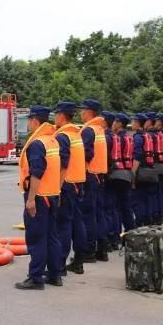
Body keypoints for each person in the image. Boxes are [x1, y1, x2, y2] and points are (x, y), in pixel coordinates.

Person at [16, 106, 62, 290]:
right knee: (52, 236)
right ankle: (54, 275)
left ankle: (35, 278)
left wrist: (31, 199)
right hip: (53, 195)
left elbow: (37, 172)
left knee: (37, 238)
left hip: (40, 196)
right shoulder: (52, 140)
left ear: (35, 121)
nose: (28, 123)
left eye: (29, 120)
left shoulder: (37, 144)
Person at [53, 102, 87, 275]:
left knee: (63, 226)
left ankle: (59, 265)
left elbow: (63, 164)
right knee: (76, 223)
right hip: (78, 184)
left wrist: (57, 188)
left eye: (56, 114)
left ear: (61, 116)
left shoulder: (63, 136)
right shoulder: (76, 134)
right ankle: (79, 260)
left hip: (66, 185)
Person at [78, 99, 110, 262]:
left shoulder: (89, 130)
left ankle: (89, 251)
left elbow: (86, 154)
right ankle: (102, 250)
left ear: (89, 112)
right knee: (98, 213)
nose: (80, 113)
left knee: (88, 215)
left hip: (90, 176)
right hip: (99, 176)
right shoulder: (99, 129)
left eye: (82, 110)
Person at [110, 113, 135, 235]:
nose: (113, 124)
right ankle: (131, 231)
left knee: (115, 206)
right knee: (126, 205)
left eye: (115, 122)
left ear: (119, 123)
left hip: (116, 174)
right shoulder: (129, 137)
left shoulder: (117, 138)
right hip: (127, 173)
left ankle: (115, 234)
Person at [130, 113, 154, 227]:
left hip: (141, 171)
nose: (131, 124)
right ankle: (147, 220)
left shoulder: (138, 137)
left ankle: (139, 221)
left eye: (133, 121)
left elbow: (137, 156)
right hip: (149, 169)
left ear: (137, 122)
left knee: (138, 199)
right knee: (147, 198)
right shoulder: (147, 135)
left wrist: (133, 173)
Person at [101, 110, 120, 251]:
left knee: (107, 209)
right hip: (114, 173)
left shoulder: (106, 137)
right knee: (113, 209)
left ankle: (109, 238)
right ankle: (114, 237)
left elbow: (106, 158)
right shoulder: (113, 136)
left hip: (107, 176)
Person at [145, 112, 163, 225]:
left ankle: (151, 217)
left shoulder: (150, 135)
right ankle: (158, 216)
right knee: (157, 194)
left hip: (151, 166)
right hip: (157, 164)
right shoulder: (158, 134)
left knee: (148, 195)